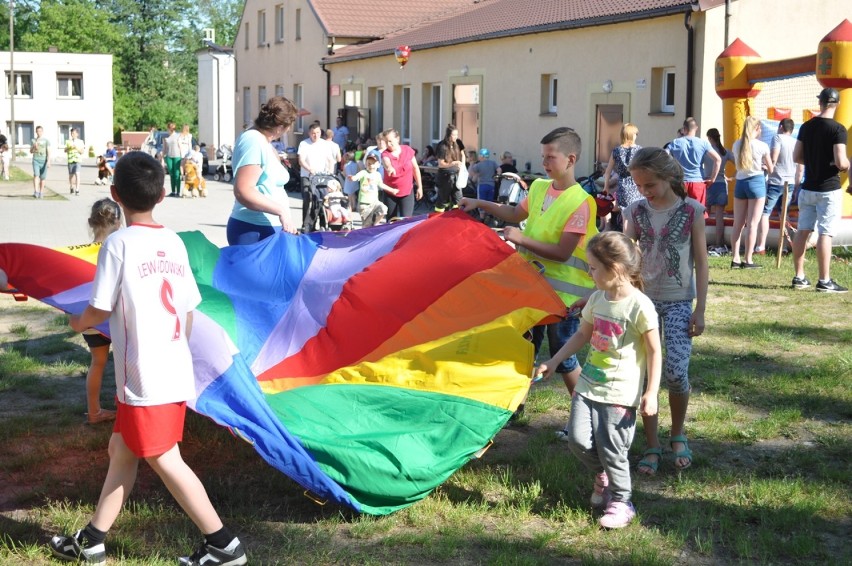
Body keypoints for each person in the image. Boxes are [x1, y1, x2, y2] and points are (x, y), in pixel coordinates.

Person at [48, 151, 247, 566]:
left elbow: (99, 310)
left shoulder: (117, 244)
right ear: (162, 194)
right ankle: (93, 540)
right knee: (121, 449)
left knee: (164, 458)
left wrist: (74, 321)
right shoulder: (172, 242)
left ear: (114, 193)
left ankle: (223, 545)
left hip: (144, 376)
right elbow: (188, 310)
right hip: (170, 368)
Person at [459, 127, 597, 401]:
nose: (544, 163)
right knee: (524, 347)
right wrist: (479, 203)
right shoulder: (538, 188)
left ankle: (585, 417)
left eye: (550, 157)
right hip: (531, 288)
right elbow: (513, 212)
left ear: (570, 160)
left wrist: (521, 238)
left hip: (565, 299)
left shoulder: (582, 202)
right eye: (543, 156)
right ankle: (514, 405)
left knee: (564, 357)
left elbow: (561, 252)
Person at [537, 231, 661, 529]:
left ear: (615, 269)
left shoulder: (640, 306)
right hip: (589, 385)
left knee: (613, 449)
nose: (589, 273)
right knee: (577, 439)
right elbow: (582, 335)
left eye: (593, 268)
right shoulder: (596, 299)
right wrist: (553, 361)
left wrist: (652, 392)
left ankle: (621, 501)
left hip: (620, 393)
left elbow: (655, 350)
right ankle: (604, 475)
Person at [623, 147, 708, 475]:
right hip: (642, 303)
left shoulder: (692, 211)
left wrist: (700, 310)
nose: (644, 192)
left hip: (677, 303)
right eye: (639, 185)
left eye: (650, 185)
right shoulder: (635, 210)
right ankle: (652, 443)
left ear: (669, 178)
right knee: (644, 377)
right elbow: (624, 253)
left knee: (675, 372)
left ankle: (677, 433)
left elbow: (701, 263)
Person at [792, 88, 850, 293]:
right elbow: (841, 161)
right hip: (829, 188)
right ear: (837, 104)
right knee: (826, 232)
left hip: (808, 187)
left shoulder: (806, 127)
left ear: (821, 103)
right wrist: (845, 165)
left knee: (803, 230)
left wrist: (815, 161)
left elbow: (796, 157)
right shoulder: (838, 129)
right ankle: (824, 280)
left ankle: (799, 277)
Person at [227, 96, 300, 245]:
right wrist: (281, 211)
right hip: (253, 229)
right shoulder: (253, 141)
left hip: (266, 227)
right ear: (280, 127)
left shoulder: (262, 140)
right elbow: (243, 190)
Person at [81, 198, 122, 425]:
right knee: (124, 361)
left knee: (98, 362)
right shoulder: (116, 250)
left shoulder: (77, 252)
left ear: (90, 222)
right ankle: (127, 409)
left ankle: (94, 412)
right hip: (114, 316)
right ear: (118, 223)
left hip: (89, 318)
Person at [730, 115, 773, 269]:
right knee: (753, 224)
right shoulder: (762, 146)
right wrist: (765, 167)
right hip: (756, 182)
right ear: (756, 128)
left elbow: (738, 164)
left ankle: (735, 258)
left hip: (740, 183)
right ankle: (748, 259)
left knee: (738, 224)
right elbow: (771, 168)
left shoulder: (736, 144)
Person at [755, 119, 803, 255]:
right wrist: (797, 184)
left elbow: (774, 158)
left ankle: (760, 246)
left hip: (776, 181)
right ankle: (784, 247)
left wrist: (766, 167)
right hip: (790, 183)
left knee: (765, 213)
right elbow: (800, 167)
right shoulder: (796, 142)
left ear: (781, 127)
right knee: (784, 215)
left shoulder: (777, 138)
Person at [667, 117, 720, 208]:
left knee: (679, 213)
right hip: (697, 182)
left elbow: (662, 156)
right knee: (698, 213)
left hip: (680, 182)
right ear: (696, 128)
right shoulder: (703, 143)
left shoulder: (675, 143)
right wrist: (712, 179)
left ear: (684, 129)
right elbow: (718, 159)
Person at [298, 122, 337, 233]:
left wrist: (330, 172)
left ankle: (319, 223)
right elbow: (301, 160)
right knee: (307, 198)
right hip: (307, 176)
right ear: (309, 133)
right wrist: (310, 169)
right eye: (313, 133)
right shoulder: (304, 144)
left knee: (320, 200)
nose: (316, 135)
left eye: (318, 133)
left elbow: (330, 160)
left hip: (322, 176)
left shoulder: (325, 144)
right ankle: (306, 224)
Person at [603, 123, 642, 232]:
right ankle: (635, 242)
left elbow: (607, 172)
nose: (636, 136)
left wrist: (606, 187)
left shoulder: (616, 151)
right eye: (635, 134)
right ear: (631, 135)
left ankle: (626, 239)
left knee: (625, 216)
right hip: (636, 185)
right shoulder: (639, 150)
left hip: (623, 185)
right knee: (636, 217)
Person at [381, 128, 423, 219]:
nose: (388, 144)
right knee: (391, 221)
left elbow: (415, 168)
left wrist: (420, 187)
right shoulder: (385, 154)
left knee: (406, 220)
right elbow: (386, 161)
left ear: (397, 139)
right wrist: (389, 168)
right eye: (386, 142)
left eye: (390, 141)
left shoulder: (407, 150)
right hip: (390, 193)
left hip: (407, 191)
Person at [349, 153, 399, 227]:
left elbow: (381, 185)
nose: (371, 166)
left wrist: (392, 190)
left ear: (378, 165)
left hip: (375, 202)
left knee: (383, 209)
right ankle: (366, 233)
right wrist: (352, 178)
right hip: (364, 204)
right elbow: (356, 177)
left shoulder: (377, 175)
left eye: (373, 164)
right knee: (366, 225)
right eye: (369, 164)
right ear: (365, 164)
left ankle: (375, 224)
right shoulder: (363, 173)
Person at [704, 128, 733, 251]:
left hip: (708, 183)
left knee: (705, 215)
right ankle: (719, 243)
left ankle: (701, 241)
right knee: (719, 217)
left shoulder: (706, 152)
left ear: (710, 138)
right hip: (721, 183)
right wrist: (732, 176)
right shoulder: (725, 151)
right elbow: (740, 163)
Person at [434, 124, 465, 211]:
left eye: (457, 135)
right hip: (445, 177)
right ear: (448, 135)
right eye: (454, 135)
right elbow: (441, 164)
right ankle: (439, 220)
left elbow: (463, 155)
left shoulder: (458, 142)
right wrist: (453, 163)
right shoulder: (442, 146)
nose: (456, 137)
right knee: (443, 201)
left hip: (457, 176)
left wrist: (462, 166)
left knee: (459, 200)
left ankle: (457, 220)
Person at [30, 125, 51, 199]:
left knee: (43, 178)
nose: (39, 132)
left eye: (40, 131)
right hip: (36, 160)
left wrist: (48, 161)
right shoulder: (33, 140)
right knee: (36, 175)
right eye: (38, 131)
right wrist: (34, 147)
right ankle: (36, 191)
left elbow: (48, 151)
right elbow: (31, 151)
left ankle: (41, 192)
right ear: (36, 132)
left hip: (44, 160)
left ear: (42, 132)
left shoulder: (46, 141)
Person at [164, 122, 183, 197]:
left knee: (177, 174)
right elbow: (164, 149)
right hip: (169, 157)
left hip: (177, 156)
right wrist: (163, 157)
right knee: (171, 174)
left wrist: (182, 157)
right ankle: (173, 191)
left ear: (170, 129)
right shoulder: (166, 138)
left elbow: (180, 146)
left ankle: (178, 191)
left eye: (168, 129)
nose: (167, 130)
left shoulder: (178, 136)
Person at [66, 128, 86, 196]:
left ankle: (77, 190)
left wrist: (76, 147)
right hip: (70, 160)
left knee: (77, 174)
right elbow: (65, 150)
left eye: (74, 133)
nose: (72, 134)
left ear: (77, 134)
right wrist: (69, 148)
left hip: (77, 160)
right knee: (71, 176)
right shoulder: (68, 141)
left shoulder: (81, 141)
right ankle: (71, 186)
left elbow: (82, 151)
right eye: (71, 133)